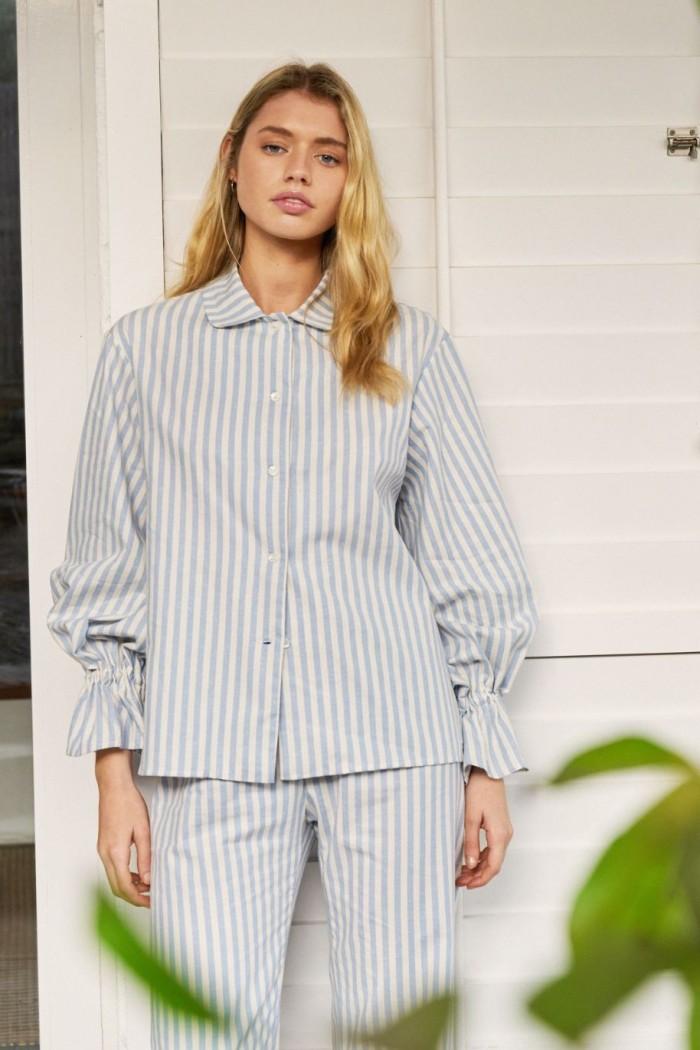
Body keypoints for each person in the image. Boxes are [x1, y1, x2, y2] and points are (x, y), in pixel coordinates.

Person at [47, 61, 540, 1050]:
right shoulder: (145, 352)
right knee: (207, 1030)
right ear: (233, 162)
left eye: (328, 155)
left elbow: (470, 565)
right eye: (275, 146)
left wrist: (483, 764)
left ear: (350, 183)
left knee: (398, 1031)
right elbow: (108, 572)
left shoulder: (409, 349)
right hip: (209, 749)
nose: (298, 171)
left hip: (393, 744)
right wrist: (115, 777)